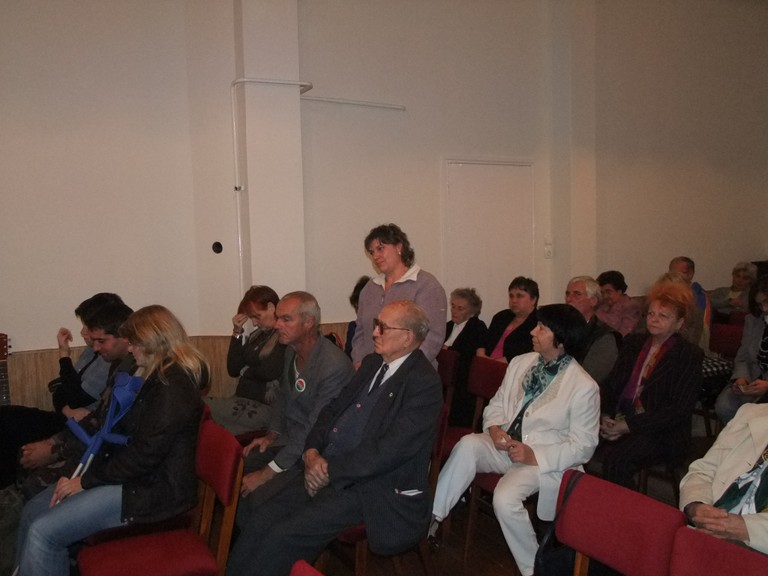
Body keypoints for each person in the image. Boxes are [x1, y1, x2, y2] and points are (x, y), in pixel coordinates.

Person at [226, 300, 443, 576]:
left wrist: (329, 470)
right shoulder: (373, 363)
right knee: (261, 518)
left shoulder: (423, 383)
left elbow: (390, 451)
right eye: (376, 324)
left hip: (371, 487)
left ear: (407, 337)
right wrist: (312, 451)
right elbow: (331, 410)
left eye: (383, 327)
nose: (374, 332)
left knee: (284, 534)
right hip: (327, 466)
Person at [16, 305, 208, 576]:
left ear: (153, 341)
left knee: (43, 533)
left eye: (135, 342)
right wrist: (82, 474)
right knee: (34, 512)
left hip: (154, 493)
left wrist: (85, 481)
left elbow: (144, 455)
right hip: (136, 480)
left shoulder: (173, 386)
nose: (130, 348)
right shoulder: (154, 375)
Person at [431, 304, 600, 576]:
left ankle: (534, 568)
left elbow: (584, 446)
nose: (533, 331)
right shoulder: (521, 362)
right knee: (468, 444)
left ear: (561, 339)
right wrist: (494, 428)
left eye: (541, 328)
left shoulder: (583, 386)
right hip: (506, 445)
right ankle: (431, 518)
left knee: (504, 498)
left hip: (542, 461)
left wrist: (534, 455)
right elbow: (497, 404)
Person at [236, 291, 354, 523]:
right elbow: (283, 396)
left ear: (309, 323)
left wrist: (266, 473)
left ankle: (257, 541)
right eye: (277, 318)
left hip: (314, 453)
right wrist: (271, 434)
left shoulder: (333, 367)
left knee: (258, 497)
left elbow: (314, 430)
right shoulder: (291, 351)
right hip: (289, 440)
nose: (277, 325)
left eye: (286, 319)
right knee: (240, 467)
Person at [0, 293, 118, 489]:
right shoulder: (91, 352)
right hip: (68, 418)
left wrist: (64, 356)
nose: (82, 332)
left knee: (9, 423)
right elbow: (60, 389)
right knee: (6, 417)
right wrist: (66, 408)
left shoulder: (106, 359)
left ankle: (10, 492)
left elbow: (75, 396)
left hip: (81, 426)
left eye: (87, 327)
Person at [598, 278, 703, 489]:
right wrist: (605, 415)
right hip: (621, 417)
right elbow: (611, 384)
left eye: (663, 316)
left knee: (617, 461)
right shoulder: (633, 343)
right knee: (576, 442)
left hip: (661, 431)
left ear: (679, 323)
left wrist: (628, 426)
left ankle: (625, 508)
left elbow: (677, 410)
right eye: (651, 314)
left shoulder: (688, 354)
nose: (654, 319)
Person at [350, 223, 447, 368]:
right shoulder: (370, 288)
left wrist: (399, 370)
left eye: (380, 248)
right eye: (372, 252)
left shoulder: (426, 285)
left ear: (399, 247)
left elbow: (432, 337)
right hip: (372, 371)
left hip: (412, 373)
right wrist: (359, 362)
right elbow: (360, 331)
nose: (375, 256)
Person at [679, 403, 768, 555]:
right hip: (708, 529)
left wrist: (744, 528)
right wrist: (696, 505)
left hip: (757, 550)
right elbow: (703, 470)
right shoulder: (750, 413)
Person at [205, 285, 286, 435]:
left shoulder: (284, 335)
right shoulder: (257, 335)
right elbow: (233, 369)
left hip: (265, 408)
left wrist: (246, 371)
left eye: (257, 316)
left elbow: (269, 370)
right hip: (242, 401)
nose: (254, 323)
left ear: (271, 307)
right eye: (251, 318)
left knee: (201, 405)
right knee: (206, 423)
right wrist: (237, 332)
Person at [714, 275, 768, 423]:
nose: (764, 309)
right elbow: (743, 357)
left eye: (766, 302)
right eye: (760, 304)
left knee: (756, 416)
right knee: (725, 407)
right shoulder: (753, 320)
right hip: (753, 377)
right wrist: (741, 378)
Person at [565, 276, 620, 386]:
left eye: (577, 294)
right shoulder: (561, 327)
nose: (569, 299)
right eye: (567, 294)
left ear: (593, 301)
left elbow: (588, 378)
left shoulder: (605, 337)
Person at [444, 287, 488, 426]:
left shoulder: (477, 327)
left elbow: (473, 357)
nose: (454, 311)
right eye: (453, 306)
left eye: (460, 308)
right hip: (443, 379)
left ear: (471, 312)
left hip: (462, 383)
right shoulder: (447, 326)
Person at [478, 277, 539, 363]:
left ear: (533, 299)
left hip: (512, 368)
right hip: (487, 365)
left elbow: (522, 356)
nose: (514, 300)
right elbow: (483, 342)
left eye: (519, 296)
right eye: (511, 296)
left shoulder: (538, 324)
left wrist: (492, 365)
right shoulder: (500, 317)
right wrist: (481, 355)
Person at [669, 256, 711, 351]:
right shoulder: (667, 292)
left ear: (690, 274)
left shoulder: (699, 297)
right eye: (671, 272)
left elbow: (696, 331)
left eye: (677, 273)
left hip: (688, 346)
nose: (672, 277)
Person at [595, 270, 642, 337]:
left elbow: (624, 334)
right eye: (602, 293)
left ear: (619, 291)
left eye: (608, 292)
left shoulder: (631, 307)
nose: (605, 296)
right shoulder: (602, 305)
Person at [344, 275, 370, 358]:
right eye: (356, 308)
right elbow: (348, 356)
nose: (359, 313)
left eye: (362, 308)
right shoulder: (353, 327)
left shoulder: (381, 330)